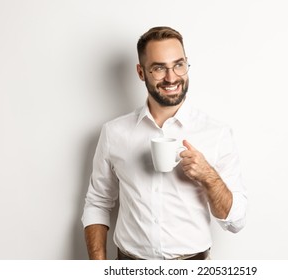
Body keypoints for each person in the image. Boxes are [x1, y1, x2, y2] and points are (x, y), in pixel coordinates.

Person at [81, 26, 247, 260]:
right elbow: (97, 203)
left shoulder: (216, 133)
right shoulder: (114, 133)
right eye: (159, 68)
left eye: (178, 65)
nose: (171, 78)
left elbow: (236, 222)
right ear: (141, 72)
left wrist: (208, 176)